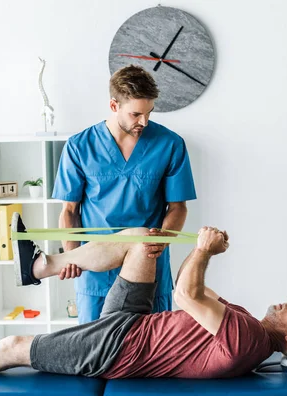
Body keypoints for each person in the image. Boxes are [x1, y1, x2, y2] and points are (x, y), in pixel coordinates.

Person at [0, 213, 287, 379]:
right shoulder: (245, 323)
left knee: (12, 349)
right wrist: (197, 251)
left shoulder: (249, 339)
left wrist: (207, 250)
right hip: (135, 320)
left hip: (116, 347)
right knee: (140, 235)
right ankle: (41, 267)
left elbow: (187, 295)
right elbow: (192, 285)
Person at [52, 65, 197, 323]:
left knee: (154, 352)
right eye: (135, 114)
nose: (144, 122)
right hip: (96, 268)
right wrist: (71, 257)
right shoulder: (79, 146)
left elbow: (178, 207)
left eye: (149, 113)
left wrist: (162, 239)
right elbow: (70, 211)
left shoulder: (170, 144)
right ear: (113, 105)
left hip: (149, 264)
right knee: (93, 353)